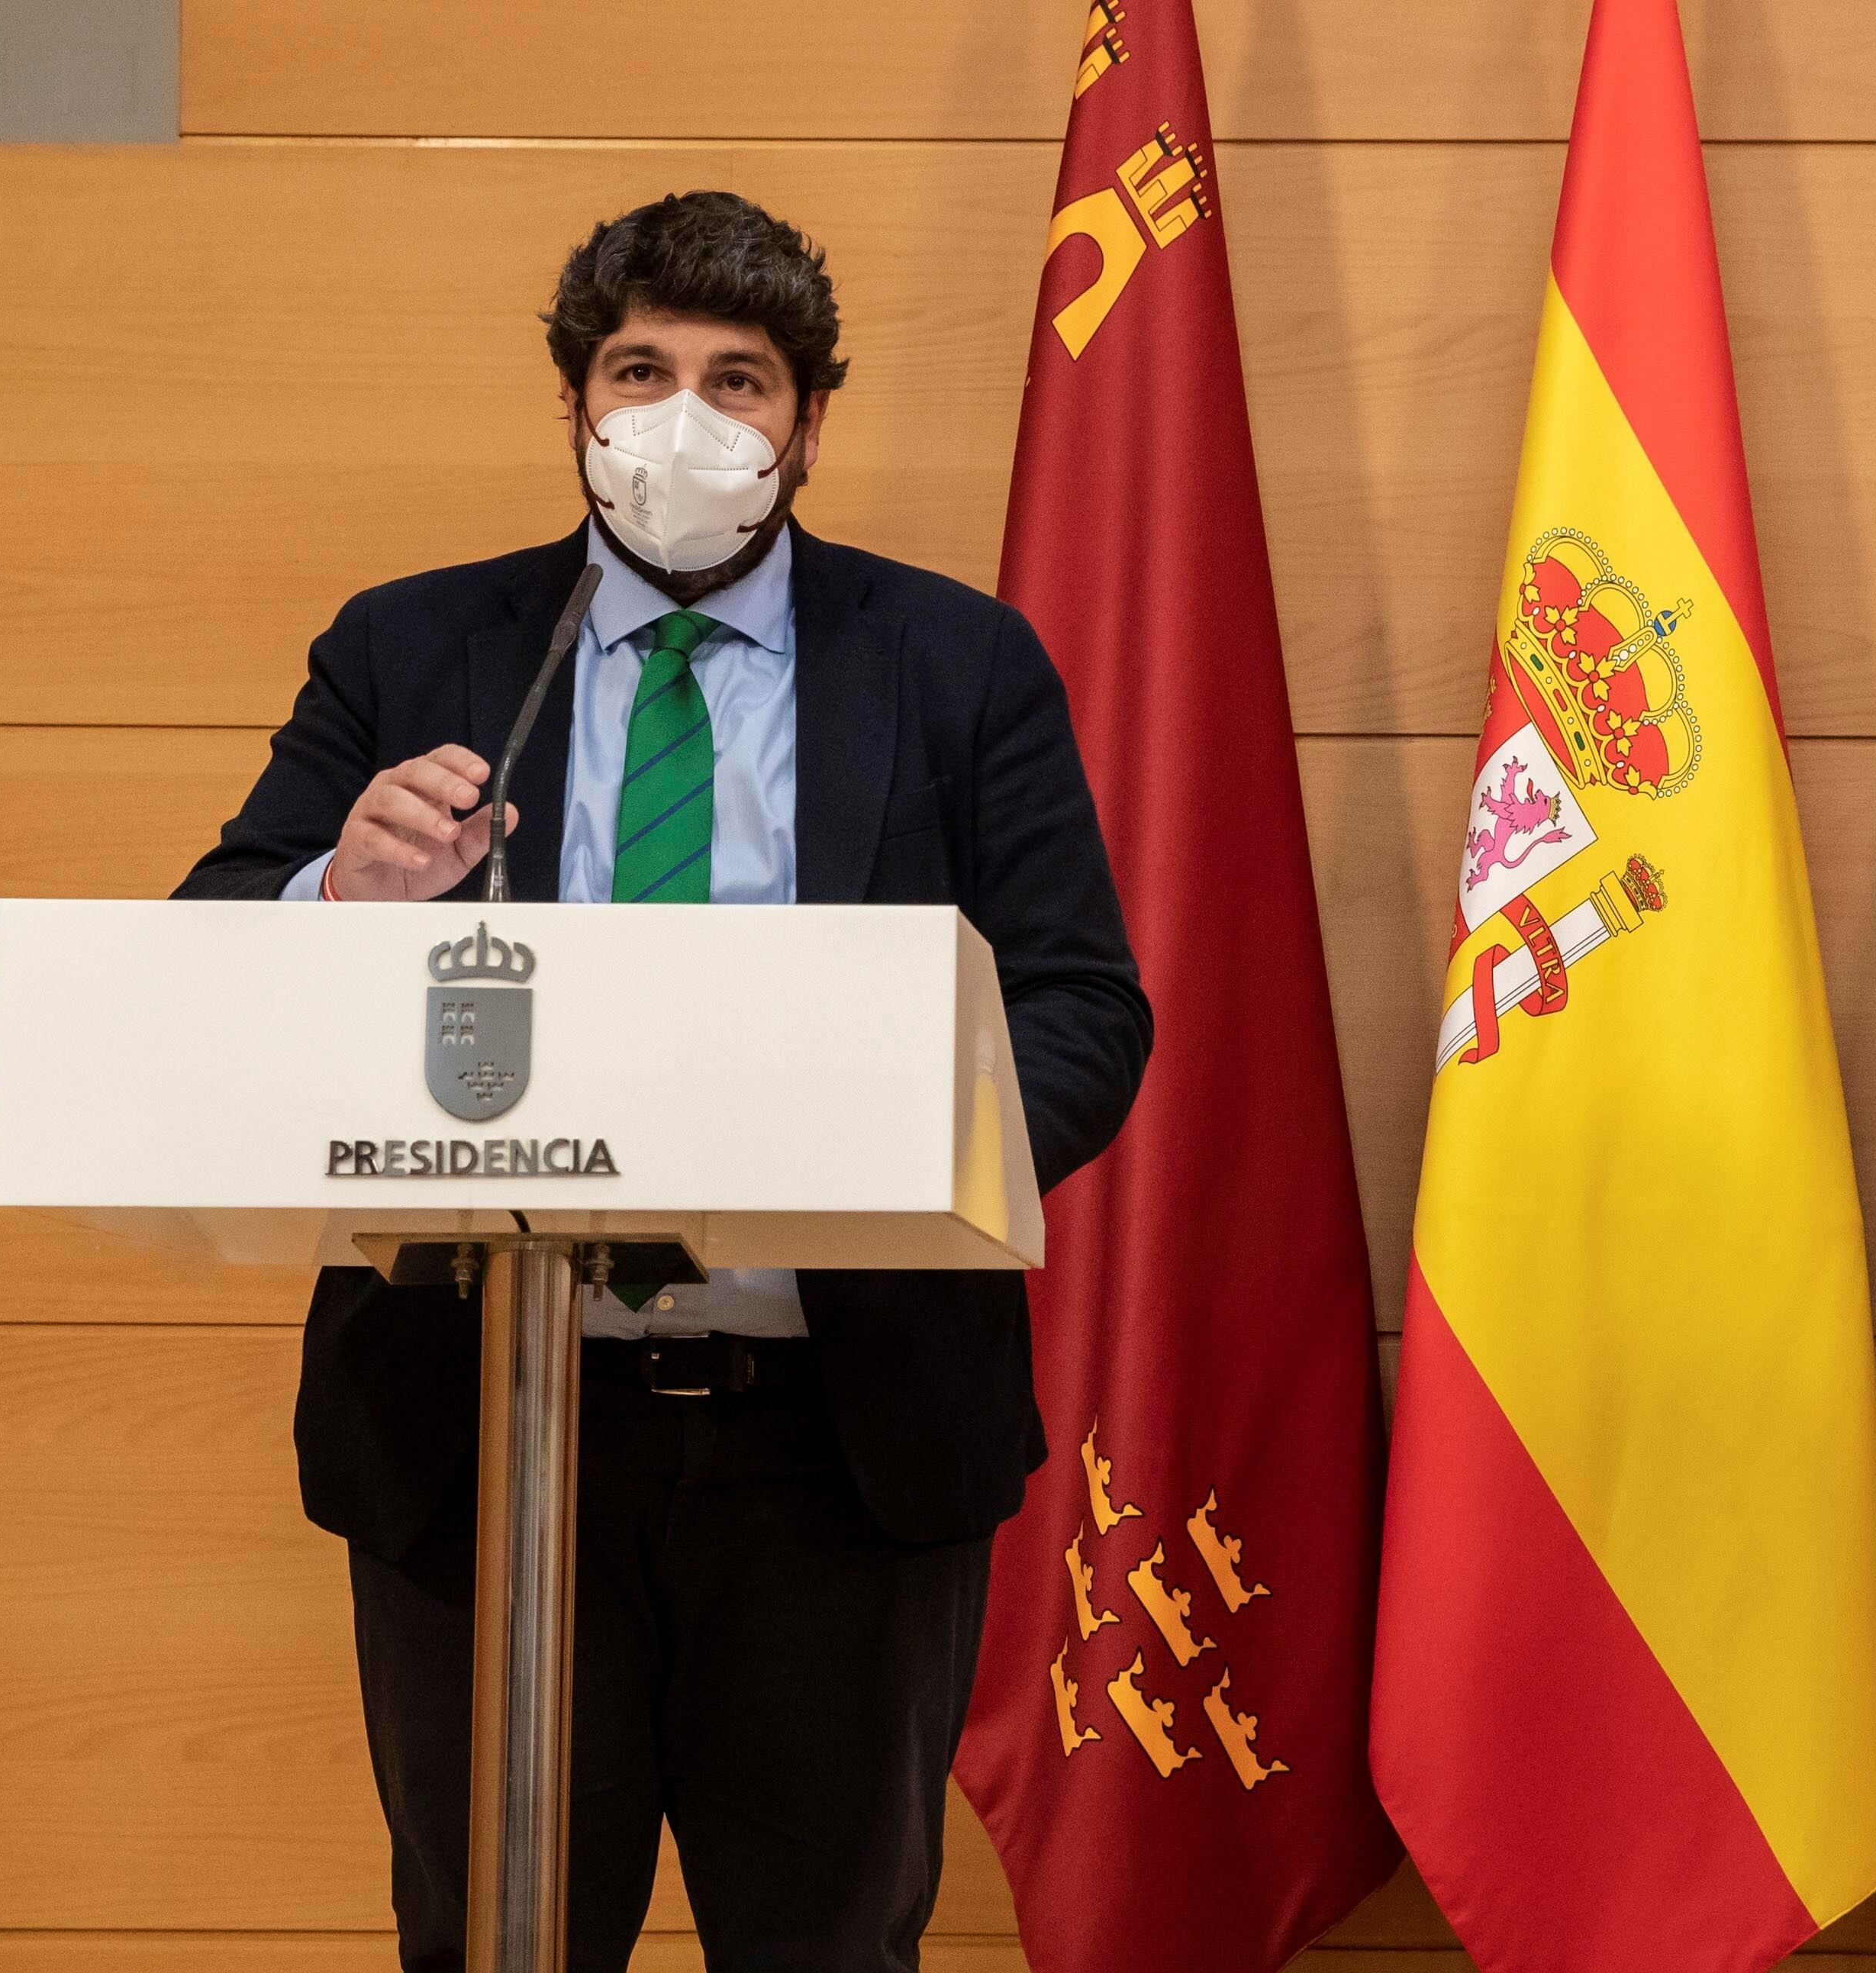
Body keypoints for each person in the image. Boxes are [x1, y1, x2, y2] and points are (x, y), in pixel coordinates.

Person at [174, 192, 1152, 1970]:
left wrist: (864, 1130)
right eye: (639, 371)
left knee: (831, 1944)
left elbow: (1086, 1017)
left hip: (838, 1449)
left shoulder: (953, 665)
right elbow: (215, 938)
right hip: (476, 1434)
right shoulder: (413, 648)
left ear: (806, 425)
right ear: (575, 408)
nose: (684, 421)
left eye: (739, 380)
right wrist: (342, 889)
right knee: (495, 1942)